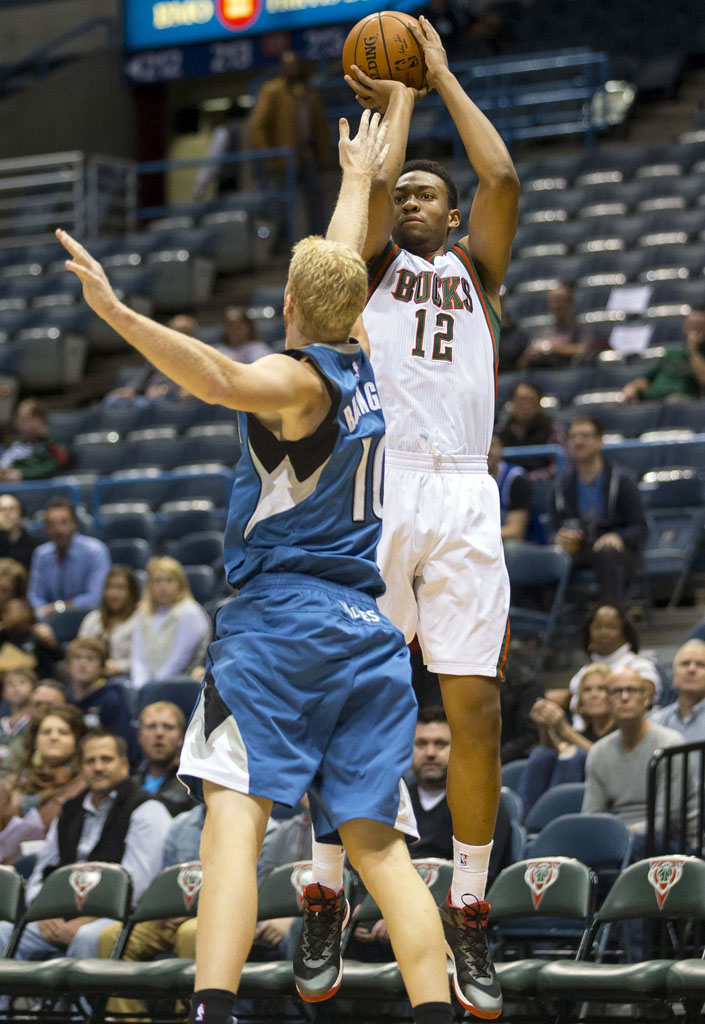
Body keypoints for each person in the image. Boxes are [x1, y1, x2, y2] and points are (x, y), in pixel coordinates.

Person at [57, 108, 455, 1024]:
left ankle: (214, 1010)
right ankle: (436, 1010)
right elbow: (339, 269)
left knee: (234, 829)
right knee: (380, 850)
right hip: (366, 635)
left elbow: (218, 378)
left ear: (286, 307)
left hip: (280, 626)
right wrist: (356, 178)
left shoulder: (293, 381)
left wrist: (118, 313)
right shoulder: (364, 367)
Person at [319, 16, 521, 1018]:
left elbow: (504, 180)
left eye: (424, 193)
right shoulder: (369, 266)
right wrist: (391, 108)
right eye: (402, 192)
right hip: (383, 483)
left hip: (464, 493)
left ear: (450, 216)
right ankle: (323, 883)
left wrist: (437, 75)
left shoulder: (479, 275)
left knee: (474, 708)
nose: (410, 198)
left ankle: (472, 907)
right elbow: (362, 202)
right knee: (355, 693)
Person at [0, 728, 172, 960]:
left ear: (124, 764)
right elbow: (42, 872)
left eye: (106, 759)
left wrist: (85, 921)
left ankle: (87, 998)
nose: (98, 767)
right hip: (58, 916)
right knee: (3, 932)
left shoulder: (147, 809)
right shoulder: (69, 810)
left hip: (115, 918)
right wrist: (42, 914)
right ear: (82, 768)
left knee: (88, 937)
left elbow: (139, 884)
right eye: (90, 761)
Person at [97, 802, 206, 1020]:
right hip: (173, 917)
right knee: (112, 936)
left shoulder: (262, 825)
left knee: (192, 933)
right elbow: (166, 879)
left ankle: (187, 1018)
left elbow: (254, 887)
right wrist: (164, 907)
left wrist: (198, 910)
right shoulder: (181, 824)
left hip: (217, 918)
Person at [582, 666, 698, 854]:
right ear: (607, 700)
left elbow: (668, 820)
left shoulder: (670, 744)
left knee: (632, 846)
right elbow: (591, 816)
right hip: (620, 838)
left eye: (632, 690)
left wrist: (618, 835)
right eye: (616, 691)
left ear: (647, 698)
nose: (625, 697)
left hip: (674, 841)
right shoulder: (598, 752)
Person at [551, 416, 647, 605]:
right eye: (573, 437)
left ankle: (611, 616)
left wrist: (618, 537)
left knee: (607, 553)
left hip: (615, 552)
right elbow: (552, 529)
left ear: (600, 441)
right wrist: (558, 538)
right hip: (578, 549)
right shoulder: (561, 486)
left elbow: (640, 528)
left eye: (585, 436)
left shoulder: (621, 481)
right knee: (543, 558)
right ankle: (540, 629)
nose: (578, 441)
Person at [249, 49, 331, 237]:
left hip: (308, 155)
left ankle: (319, 240)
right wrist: (271, 157)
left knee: (316, 202)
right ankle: (285, 246)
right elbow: (257, 126)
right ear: (282, 69)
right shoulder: (272, 90)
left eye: (295, 64)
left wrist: (324, 155)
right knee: (286, 206)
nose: (293, 69)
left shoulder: (309, 92)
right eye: (288, 65)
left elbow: (320, 127)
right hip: (284, 160)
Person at [518, 665, 614, 816]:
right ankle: (525, 823)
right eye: (587, 690)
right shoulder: (581, 733)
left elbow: (604, 759)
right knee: (541, 753)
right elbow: (550, 753)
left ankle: (552, 820)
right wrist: (544, 726)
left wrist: (564, 729)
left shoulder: (620, 731)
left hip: (601, 794)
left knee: (574, 756)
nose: (593, 695)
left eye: (601, 689)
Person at [0, 704, 86, 864]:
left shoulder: (84, 784)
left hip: (58, 868)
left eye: (63, 732)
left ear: (76, 741)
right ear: (35, 740)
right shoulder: (14, 782)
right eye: (46, 732)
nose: (54, 737)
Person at [552, 602, 660, 722]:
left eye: (611, 627)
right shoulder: (584, 672)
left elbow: (645, 697)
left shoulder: (640, 666)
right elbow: (570, 699)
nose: (604, 633)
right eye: (598, 627)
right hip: (582, 734)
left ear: (625, 633)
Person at [130, 557, 211, 690]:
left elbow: (180, 659)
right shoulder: (141, 614)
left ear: (181, 584)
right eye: (157, 581)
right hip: (147, 686)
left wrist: (154, 688)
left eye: (169, 580)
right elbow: (138, 658)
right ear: (149, 586)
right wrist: (139, 687)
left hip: (177, 684)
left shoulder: (190, 612)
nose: (163, 586)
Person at [27, 499, 112, 618]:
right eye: (52, 524)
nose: (58, 529)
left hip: (87, 617)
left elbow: (96, 597)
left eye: (64, 522)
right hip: (48, 620)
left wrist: (59, 607)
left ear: (74, 524)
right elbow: (34, 595)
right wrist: (44, 610)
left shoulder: (95, 551)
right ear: (46, 528)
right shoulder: (41, 554)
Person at [65, 637, 137, 761]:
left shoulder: (113, 699)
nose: (83, 663)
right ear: (68, 665)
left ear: (102, 667)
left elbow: (122, 742)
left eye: (90, 658)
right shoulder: (65, 699)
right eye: (77, 657)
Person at [620, 309, 705, 403]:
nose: (694, 332)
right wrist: (633, 386)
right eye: (691, 326)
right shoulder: (672, 353)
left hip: (679, 402)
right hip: (654, 398)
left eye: (699, 327)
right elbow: (647, 380)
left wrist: (693, 349)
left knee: (673, 401)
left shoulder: (700, 357)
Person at [517, 283, 603, 368]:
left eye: (560, 300)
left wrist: (550, 349)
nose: (556, 305)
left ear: (571, 303)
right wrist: (528, 358)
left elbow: (584, 349)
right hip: (544, 375)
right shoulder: (542, 332)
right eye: (553, 301)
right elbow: (523, 363)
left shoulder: (581, 329)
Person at [132, 701, 195, 817]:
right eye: (151, 726)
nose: (159, 733)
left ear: (181, 737)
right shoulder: (130, 785)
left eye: (168, 727)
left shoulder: (194, 787)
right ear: (140, 736)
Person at [0, 678, 67, 783]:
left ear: (65, 707)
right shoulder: (23, 741)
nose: (43, 710)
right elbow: (5, 774)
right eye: (38, 704)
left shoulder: (75, 738)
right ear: (29, 708)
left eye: (50, 705)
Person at [78, 565, 140, 677]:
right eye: (110, 587)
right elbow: (79, 649)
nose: (114, 593)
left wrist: (119, 667)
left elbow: (145, 661)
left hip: (124, 677)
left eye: (120, 588)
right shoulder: (93, 618)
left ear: (132, 592)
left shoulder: (141, 620)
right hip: (91, 676)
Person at [495, 381, 565, 476]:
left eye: (530, 401)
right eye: (521, 400)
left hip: (543, 486)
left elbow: (559, 466)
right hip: (511, 484)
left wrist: (529, 479)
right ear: (512, 403)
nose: (525, 406)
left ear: (539, 405)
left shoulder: (551, 428)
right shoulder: (502, 430)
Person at [651, 638, 705, 744]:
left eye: (700, 664)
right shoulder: (655, 722)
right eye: (685, 663)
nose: (691, 669)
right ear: (674, 675)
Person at [0, 399, 69, 482]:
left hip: (40, 487)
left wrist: (22, 474)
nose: (17, 424)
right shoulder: (19, 442)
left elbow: (54, 467)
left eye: (23, 419)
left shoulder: (56, 441)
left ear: (37, 420)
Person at [488, 433, 537, 543]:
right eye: (482, 447)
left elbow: (516, 532)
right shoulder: (469, 482)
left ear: (501, 448)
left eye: (491, 445)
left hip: (526, 547)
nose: (487, 452)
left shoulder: (516, 479)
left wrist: (476, 536)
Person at [0, 597, 60, 678]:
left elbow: (57, 658)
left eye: (18, 610)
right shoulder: (3, 635)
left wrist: (51, 643)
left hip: (37, 678)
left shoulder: (38, 633)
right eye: (6, 611)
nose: (11, 614)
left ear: (28, 612)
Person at [0, 667, 33, 766]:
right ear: (4, 693)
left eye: (22, 682)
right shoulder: (2, 723)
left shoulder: (35, 721)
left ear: (33, 689)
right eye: (10, 684)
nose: (16, 688)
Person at [0, 494, 38, 569]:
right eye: (2, 509)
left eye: (11, 509)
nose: (7, 514)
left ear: (21, 514)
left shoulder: (35, 548)